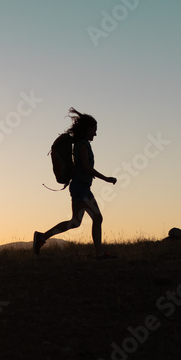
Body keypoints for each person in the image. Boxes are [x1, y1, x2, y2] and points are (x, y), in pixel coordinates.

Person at [34, 108, 118, 260]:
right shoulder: (83, 144)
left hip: (81, 187)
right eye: (94, 130)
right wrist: (106, 178)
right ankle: (99, 254)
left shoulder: (80, 143)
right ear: (87, 129)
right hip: (80, 187)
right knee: (96, 218)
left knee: (76, 222)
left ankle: (42, 237)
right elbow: (86, 167)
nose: (95, 134)